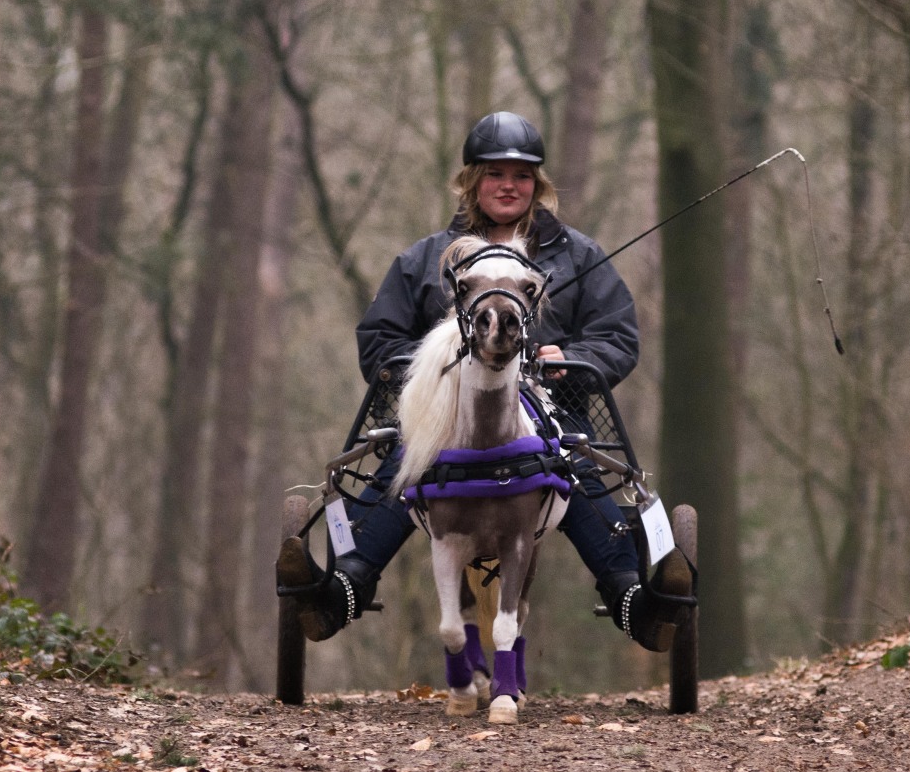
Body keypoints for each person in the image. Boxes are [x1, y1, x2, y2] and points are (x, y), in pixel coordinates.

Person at [278, 111, 693, 652]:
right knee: (402, 467)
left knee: (578, 472)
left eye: (521, 176)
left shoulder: (578, 256)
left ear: (537, 185)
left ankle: (635, 602)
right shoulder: (426, 259)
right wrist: (434, 364)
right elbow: (381, 337)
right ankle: (338, 594)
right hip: (443, 413)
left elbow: (616, 334)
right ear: (473, 181)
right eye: (495, 174)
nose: (508, 186)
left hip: (550, 411)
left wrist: (571, 357)